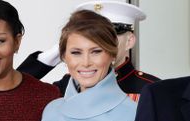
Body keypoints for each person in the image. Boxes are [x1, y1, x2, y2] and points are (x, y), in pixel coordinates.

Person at [17, 0, 159, 100]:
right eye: (90, 37)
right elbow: (13, 91)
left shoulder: (151, 89)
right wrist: (52, 56)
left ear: (129, 41)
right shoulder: (69, 84)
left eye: (107, 37)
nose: (100, 43)